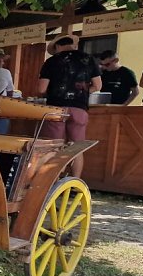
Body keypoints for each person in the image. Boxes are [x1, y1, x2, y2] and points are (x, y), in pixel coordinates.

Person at [38, 34, 102, 179]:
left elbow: (42, 89)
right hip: (79, 108)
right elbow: (98, 85)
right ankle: (75, 182)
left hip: (55, 109)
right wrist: (82, 92)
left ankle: (53, 181)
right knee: (76, 147)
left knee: (54, 147)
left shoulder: (51, 61)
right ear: (71, 44)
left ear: (58, 47)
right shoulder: (88, 59)